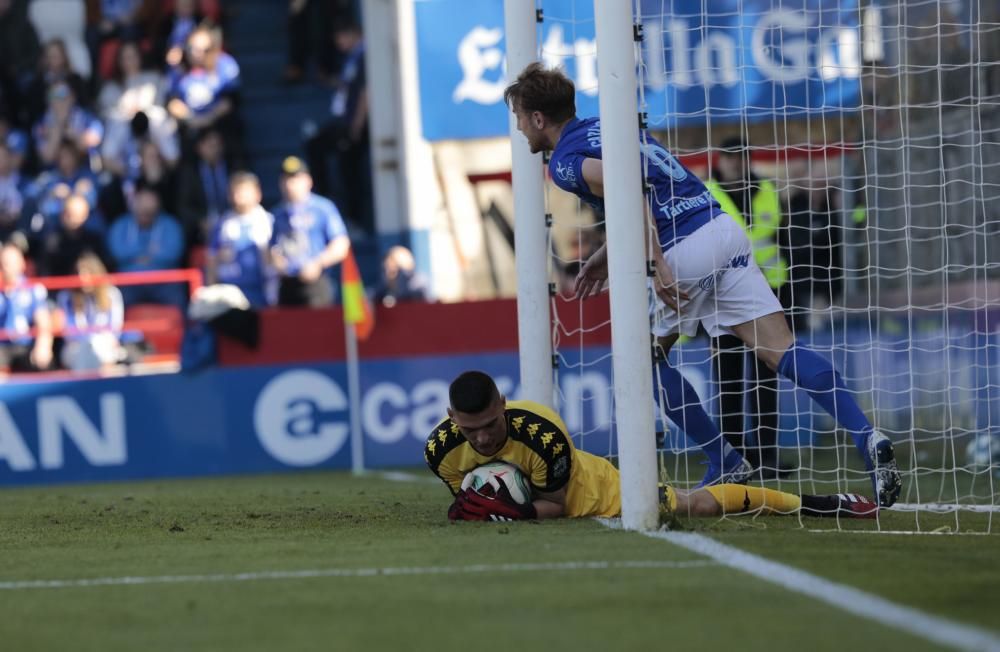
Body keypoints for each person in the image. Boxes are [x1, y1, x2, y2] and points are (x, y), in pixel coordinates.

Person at [503, 63, 902, 507]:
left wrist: (657, 261)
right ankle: (867, 434)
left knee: (645, 359)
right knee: (781, 350)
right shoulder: (604, 124)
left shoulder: (563, 163)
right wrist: (604, 255)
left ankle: (723, 458)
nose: (519, 127)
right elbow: (646, 179)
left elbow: (629, 184)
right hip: (720, 227)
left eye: (519, 116)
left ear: (538, 118)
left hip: (680, 248)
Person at [428, 371, 878, 522]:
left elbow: (556, 505)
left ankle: (819, 504)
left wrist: (517, 511)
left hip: (593, 490)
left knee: (694, 507)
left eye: (490, 425)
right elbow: (474, 500)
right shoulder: (440, 453)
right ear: (453, 421)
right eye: (471, 432)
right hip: (550, 497)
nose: (483, 438)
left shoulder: (544, 433)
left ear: (503, 405)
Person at [705, 137, 790, 479]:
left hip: (767, 293)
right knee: (727, 379)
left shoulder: (767, 189)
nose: (735, 164)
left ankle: (767, 454)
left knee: (766, 377)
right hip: (722, 297)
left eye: (740, 157)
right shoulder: (707, 191)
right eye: (729, 157)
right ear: (720, 160)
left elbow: (782, 240)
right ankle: (734, 456)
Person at [303, 21, 369, 231]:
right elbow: (347, 87)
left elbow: (365, 92)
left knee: (350, 172)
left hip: (353, 125)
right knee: (316, 146)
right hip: (344, 122)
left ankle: (353, 219)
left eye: (342, 36)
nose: (339, 42)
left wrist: (356, 125)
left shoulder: (366, 54)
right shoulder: (352, 57)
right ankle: (325, 201)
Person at [269, 156, 349, 307]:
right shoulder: (278, 214)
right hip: (288, 283)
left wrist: (317, 263)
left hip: (316, 282)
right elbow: (271, 248)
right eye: (285, 179)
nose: (290, 184)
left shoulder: (323, 208)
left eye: (295, 179)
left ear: (308, 181)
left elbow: (341, 244)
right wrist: (278, 261)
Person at [107, 180, 185, 307]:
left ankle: (187, 327)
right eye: (142, 212)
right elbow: (117, 253)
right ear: (134, 206)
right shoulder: (120, 225)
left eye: (149, 213)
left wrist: (136, 256)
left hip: (164, 281)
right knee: (116, 298)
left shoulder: (170, 224)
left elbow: (174, 253)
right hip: (129, 282)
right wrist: (150, 253)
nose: (145, 216)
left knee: (177, 297)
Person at [206, 171, 272, 308]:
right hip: (229, 292)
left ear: (257, 193)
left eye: (244, 190)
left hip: (260, 291)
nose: (239, 195)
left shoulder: (269, 222)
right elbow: (211, 259)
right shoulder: (223, 224)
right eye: (235, 191)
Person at [55, 252, 124, 371]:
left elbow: (115, 328)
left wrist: (95, 339)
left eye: (87, 274)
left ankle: (102, 384)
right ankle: (85, 388)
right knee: (84, 351)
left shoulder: (112, 294)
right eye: (79, 274)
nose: (82, 278)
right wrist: (88, 339)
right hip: (76, 347)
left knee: (99, 348)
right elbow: (68, 330)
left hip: (104, 344)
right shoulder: (66, 297)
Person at [0, 239, 54, 372]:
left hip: (25, 345)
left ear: (22, 264)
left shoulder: (33, 289)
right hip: (1, 346)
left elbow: (43, 322)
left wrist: (43, 346)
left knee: (43, 362)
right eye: (3, 262)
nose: (6, 266)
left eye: (11, 262)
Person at [37, 192, 109, 276]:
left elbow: (103, 270)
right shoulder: (51, 242)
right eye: (66, 213)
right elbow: (45, 271)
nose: (69, 218)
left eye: (73, 214)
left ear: (85, 215)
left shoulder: (94, 242)